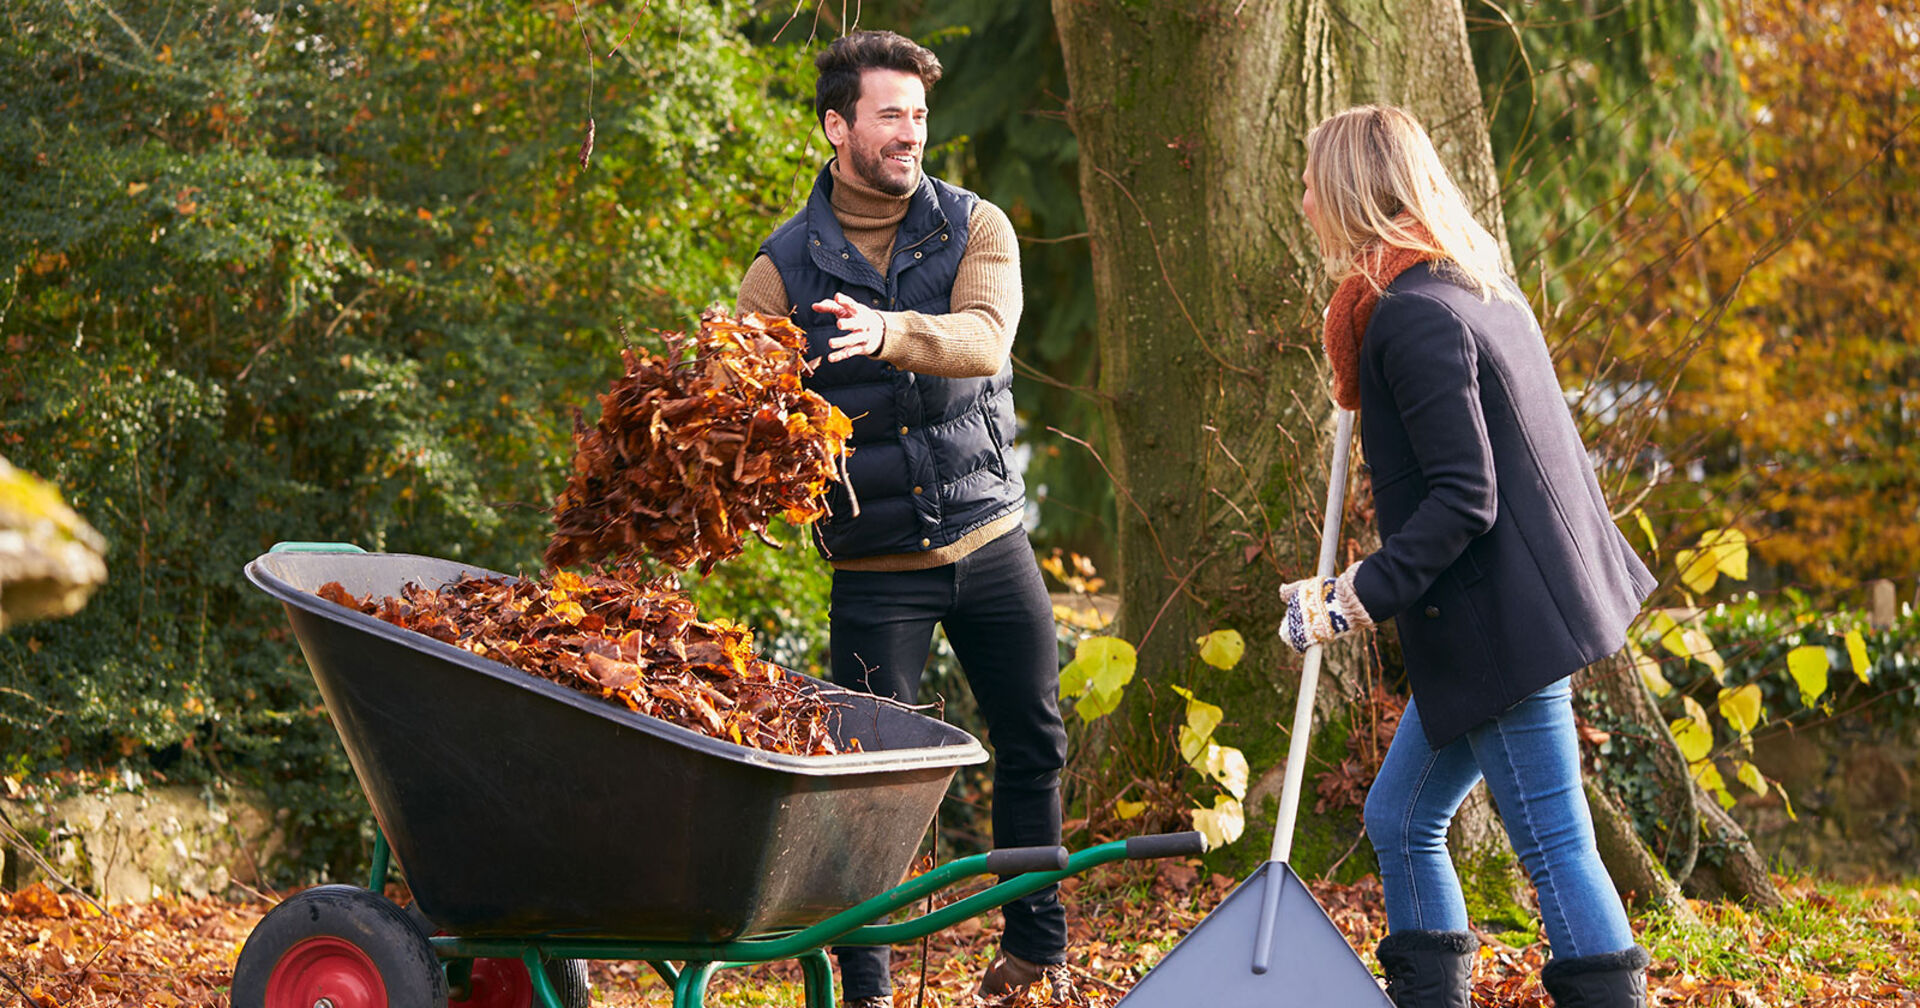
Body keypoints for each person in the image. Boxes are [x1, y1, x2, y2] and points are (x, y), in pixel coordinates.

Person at [1279, 104, 1658, 1008]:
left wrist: (1352, 597)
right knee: (1400, 817)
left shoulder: (1414, 316)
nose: (1299, 201)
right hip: (1507, 611)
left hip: (1501, 623)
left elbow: (1464, 498)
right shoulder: (1472, 289)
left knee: (1554, 840)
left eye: (1307, 183)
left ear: (1346, 191)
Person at [735, 29, 1069, 1008]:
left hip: (988, 537)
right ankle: (868, 988)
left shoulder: (976, 228)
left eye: (919, 115)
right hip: (876, 568)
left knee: (1035, 740)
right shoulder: (782, 271)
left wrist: (886, 332)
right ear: (837, 125)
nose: (910, 133)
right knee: (868, 786)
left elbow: (983, 340)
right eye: (891, 114)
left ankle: (1033, 950)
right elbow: (744, 410)